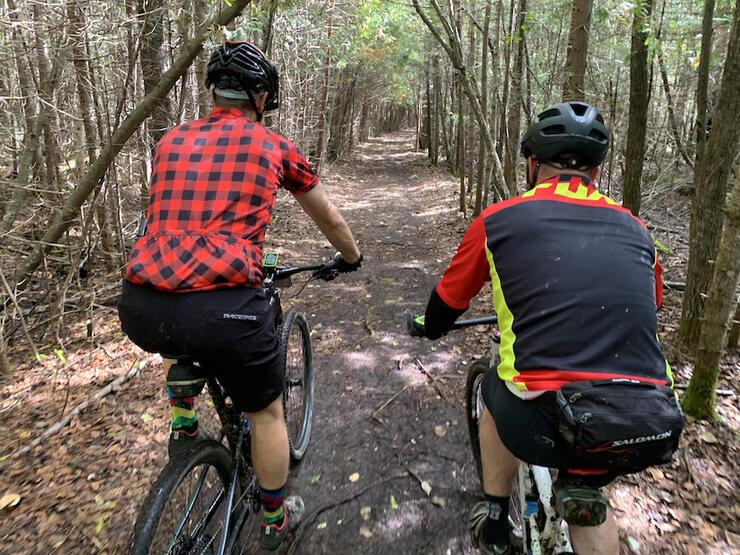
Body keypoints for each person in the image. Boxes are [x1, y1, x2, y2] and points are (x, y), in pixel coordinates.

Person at [118, 41, 362, 550]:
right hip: (225, 306)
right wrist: (352, 257)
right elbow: (330, 218)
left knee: (181, 322)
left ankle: (184, 414)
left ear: (213, 90)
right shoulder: (273, 145)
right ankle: (275, 521)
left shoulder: (169, 142)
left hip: (140, 303)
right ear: (262, 98)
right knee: (266, 412)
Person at [411, 102, 681, 555]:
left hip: (541, 414)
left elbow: (447, 303)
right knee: (589, 496)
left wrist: (431, 328)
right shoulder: (638, 230)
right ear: (596, 169)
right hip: (646, 415)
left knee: (498, 383)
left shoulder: (497, 221)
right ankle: (582, 496)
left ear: (533, 163)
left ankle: (495, 514)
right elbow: (651, 304)